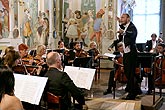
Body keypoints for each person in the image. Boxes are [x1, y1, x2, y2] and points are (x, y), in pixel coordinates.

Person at [117, 13, 141, 100]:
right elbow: (123, 29)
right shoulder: (126, 27)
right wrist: (119, 23)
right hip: (127, 53)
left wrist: (123, 32)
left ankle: (132, 94)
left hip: (131, 53)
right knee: (129, 73)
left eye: (123, 17)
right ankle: (137, 90)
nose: (121, 18)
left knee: (129, 73)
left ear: (128, 18)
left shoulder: (132, 27)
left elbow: (132, 34)